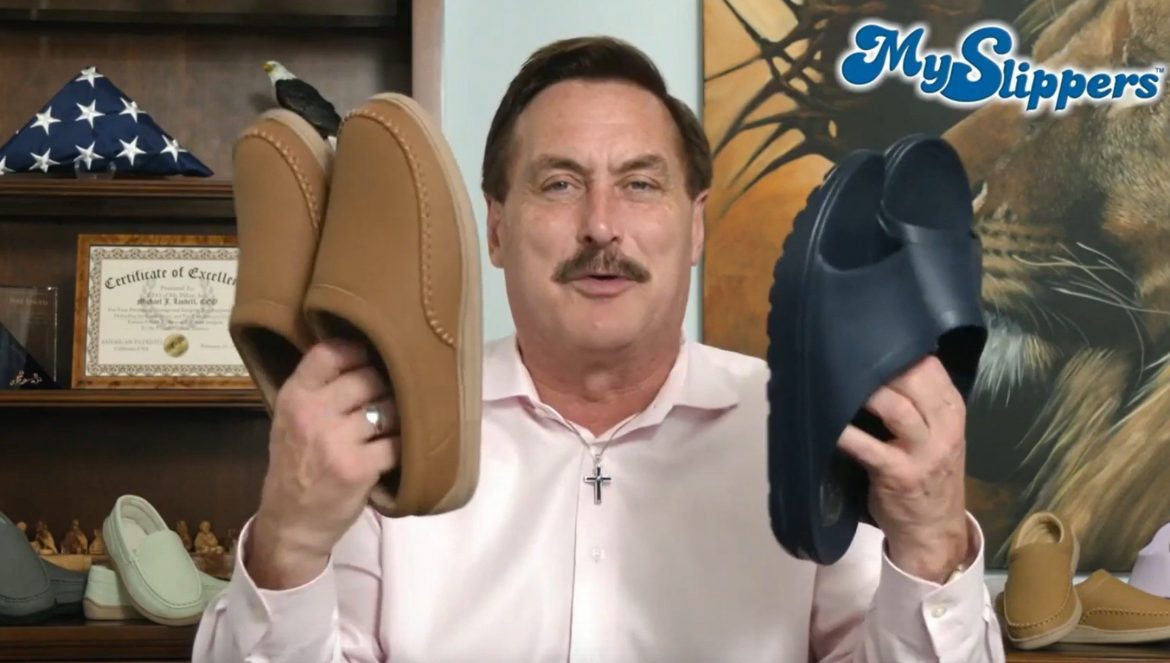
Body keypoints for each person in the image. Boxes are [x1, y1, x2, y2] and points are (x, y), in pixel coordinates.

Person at [193, 36, 1005, 662]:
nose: (602, 227)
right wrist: (290, 541)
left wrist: (930, 542)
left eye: (640, 184)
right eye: (559, 183)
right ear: (495, 228)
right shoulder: (384, 439)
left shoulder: (808, 427)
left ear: (695, 226)